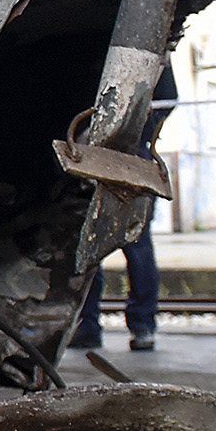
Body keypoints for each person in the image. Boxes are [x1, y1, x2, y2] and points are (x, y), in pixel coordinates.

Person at [71, 70, 175, 354]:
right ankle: (136, 326)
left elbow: (167, 100)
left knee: (101, 246)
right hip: (121, 157)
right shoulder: (155, 51)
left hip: (104, 156)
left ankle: (91, 326)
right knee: (125, 245)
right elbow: (168, 99)